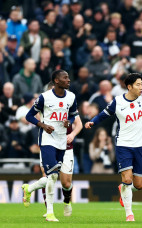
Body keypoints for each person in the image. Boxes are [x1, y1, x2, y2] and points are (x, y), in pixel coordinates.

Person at [84, 73, 142, 222]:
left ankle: (123, 189)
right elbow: (104, 114)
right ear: (129, 87)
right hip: (123, 145)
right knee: (127, 179)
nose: (141, 87)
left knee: (139, 184)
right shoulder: (118, 101)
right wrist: (93, 122)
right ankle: (129, 214)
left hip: (140, 146)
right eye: (138, 84)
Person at [23, 70, 78, 222]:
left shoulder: (71, 97)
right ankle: (50, 213)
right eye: (65, 77)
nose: (68, 79)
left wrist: (70, 122)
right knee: (52, 176)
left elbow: (73, 115)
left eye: (68, 76)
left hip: (62, 141)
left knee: (55, 178)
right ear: (56, 81)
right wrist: (43, 125)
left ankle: (29, 188)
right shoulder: (44, 97)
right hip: (47, 140)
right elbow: (28, 116)